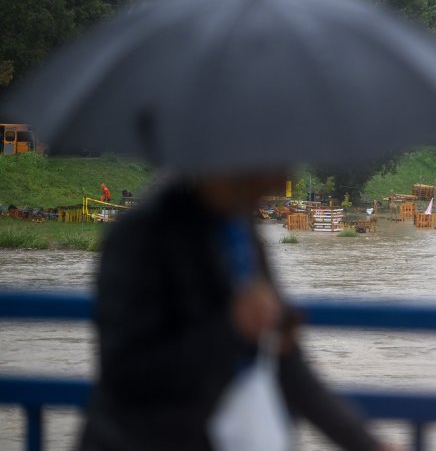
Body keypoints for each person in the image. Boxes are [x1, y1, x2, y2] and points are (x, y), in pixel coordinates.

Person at [79, 172, 388, 451]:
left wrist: (366, 443)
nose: (278, 183)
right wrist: (232, 328)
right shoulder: (139, 237)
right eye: (268, 168)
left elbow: (289, 367)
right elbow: (126, 373)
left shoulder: (242, 233)